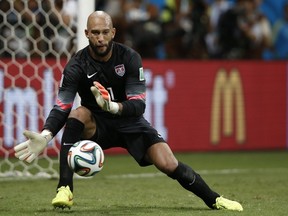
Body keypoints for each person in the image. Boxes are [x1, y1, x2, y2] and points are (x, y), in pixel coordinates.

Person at [14, 11, 243, 211]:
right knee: (78, 114)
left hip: (130, 122)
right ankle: (64, 189)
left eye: (105, 32)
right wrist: (46, 134)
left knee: (168, 163)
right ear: (86, 33)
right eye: (95, 33)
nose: (100, 38)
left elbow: (138, 104)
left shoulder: (130, 58)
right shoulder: (76, 65)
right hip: (97, 125)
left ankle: (215, 200)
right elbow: (62, 106)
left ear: (113, 32)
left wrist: (113, 106)